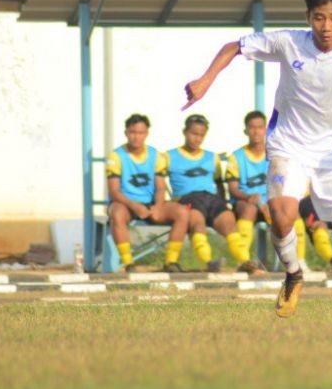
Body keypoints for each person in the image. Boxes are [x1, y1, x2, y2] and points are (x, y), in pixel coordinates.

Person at [182, 0, 332, 318]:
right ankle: (292, 273)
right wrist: (204, 81)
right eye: (319, 17)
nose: (326, 26)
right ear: (308, 17)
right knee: (281, 213)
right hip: (288, 146)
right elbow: (234, 46)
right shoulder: (288, 42)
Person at [166, 114, 254, 273]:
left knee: (229, 224)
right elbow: (156, 180)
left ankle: (245, 261)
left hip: (212, 199)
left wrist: (224, 201)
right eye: (194, 134)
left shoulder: (212, 157)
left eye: (201, 135)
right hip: (188, 198)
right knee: (197, 225)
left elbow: (220, 182)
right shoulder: (168, 157)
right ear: (185, 132)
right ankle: (209, 262)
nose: (197, 139)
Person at [105, 113, 189, 272]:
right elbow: (114, 191)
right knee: (117, 213)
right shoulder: (116, 156)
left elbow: (160, 187)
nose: (136, 137)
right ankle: (128, 263)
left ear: (146, 134)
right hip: (125, 203)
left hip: (149, 203)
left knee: (182, 212)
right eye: (132, 132)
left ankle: (171, 262)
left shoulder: (155, 155)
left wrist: (158, 205)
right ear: (126, 133)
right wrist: (134, 206)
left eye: (140, 133)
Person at [224, 110, 271, 276]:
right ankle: (244, 261)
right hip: (246, 202)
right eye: (252, 127)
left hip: (269, 203)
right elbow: (233, 189)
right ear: (246, 130)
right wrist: (251, 198)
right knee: (249, 209)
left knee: (286, 212)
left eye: (260, 127)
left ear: (266, 129)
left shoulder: (274, 153)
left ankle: (294, 262)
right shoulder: (236, 157)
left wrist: (269, 203)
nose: (256, 131)